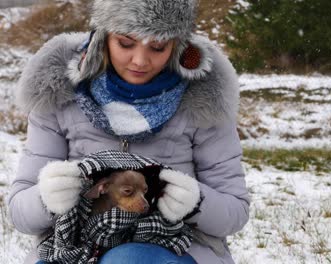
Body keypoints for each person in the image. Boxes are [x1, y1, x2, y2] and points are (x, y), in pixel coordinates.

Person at [7, 0, 250, 263]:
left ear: (177, 44)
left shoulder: (204, 100)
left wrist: (196, 203)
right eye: (126, 43)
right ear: (103, 37)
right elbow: (20, 214)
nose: (140, 60)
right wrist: (47, 197)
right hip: (74, 247)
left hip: (180, 248)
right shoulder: (57, 93)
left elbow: (235, 211)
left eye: (158, 46)